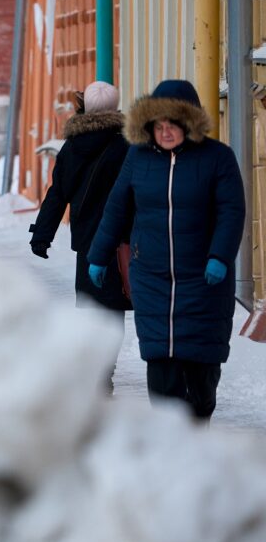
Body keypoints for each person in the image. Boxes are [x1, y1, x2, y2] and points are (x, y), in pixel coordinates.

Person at [87, 80, 246, 421]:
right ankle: (171, 442)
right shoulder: (138, 158)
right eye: (158, 125)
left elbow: (232, 211)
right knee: (161, 371)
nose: (166, 131)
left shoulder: (218, 158)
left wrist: (220, 256)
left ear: (189, 123)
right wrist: (98, 255)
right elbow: (117, 207)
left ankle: (197, 424)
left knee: (201, 375)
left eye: (172, 124)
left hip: (204, 281)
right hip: (153, 278)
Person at [28, 81, 131, 394]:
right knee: (112, 309)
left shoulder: (71, 147)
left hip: (86, 241)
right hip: (119, 240)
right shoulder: (126, 146)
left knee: (89, 307)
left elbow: (58, 193)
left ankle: (92, 368)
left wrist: (42, 234)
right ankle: (104, 371)